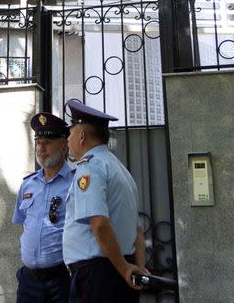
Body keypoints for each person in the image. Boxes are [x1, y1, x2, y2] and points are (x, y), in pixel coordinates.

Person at [62, 100, 149, 303]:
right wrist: (137, 267)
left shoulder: (90, 167)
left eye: (70, 133)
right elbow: (137, 231)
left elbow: (99, 224)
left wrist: (125, 268)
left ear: (81, 136)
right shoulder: (120, 170)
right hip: (118, 270)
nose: (68, 139)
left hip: (98, 275)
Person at [12, 111, 74, 303]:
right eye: (38, 143)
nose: (41, 148)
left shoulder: (75, 181)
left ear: (64, 145)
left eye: (47, 143)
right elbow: (24, 223)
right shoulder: (28, 184)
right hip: (29, 281)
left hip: (61, 279)